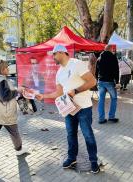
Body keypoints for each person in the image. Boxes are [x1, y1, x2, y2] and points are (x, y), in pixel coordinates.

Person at [35, 45, 100, 173]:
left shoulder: (77, 64)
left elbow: (92, 82)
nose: (53, 57)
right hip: (68, 109)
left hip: (84, 108)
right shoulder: (59, 72)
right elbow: (58, 93)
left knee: (88, 135)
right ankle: (72, 158)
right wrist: (43, 96)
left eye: (54, 54)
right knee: (71, 135)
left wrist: (75, 91)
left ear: (61, 52)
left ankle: (93, 161)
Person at [97, 45, 120, 124]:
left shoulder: (99, 58)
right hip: (110, 81)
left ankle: (101, 119)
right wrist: (117, 82)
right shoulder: (113, 57)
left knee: (101, 100)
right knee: (114, 99)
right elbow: (116, 70)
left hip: (100, 81)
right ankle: (111, 117)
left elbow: (96, 71)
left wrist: (97, 79)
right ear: (111, 49)